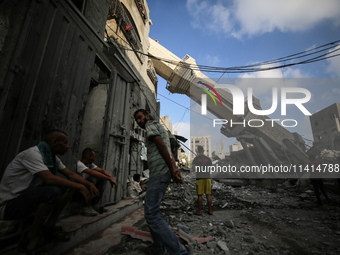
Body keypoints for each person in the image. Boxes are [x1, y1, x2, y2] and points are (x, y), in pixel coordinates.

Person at [0, 129, 99, 254]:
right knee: (53, 191)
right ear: (54, 142)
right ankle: (30, 240)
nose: (68, 146)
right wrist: (81, 187)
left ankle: (49, 226)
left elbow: (69, 174)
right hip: (8, 205)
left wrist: (88, 184)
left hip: (25, 199)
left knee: (70, 186)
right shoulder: (33, 154)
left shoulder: (51, 157)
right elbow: (49, 178)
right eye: (65, 143)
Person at [134, 109, 190, 255]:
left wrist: (173, 169)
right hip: (162, 172)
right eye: (137, 120)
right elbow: (170, 151)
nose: (139, 121)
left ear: (147, 116)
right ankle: (157, 248)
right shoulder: (161, 128)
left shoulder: (150, 125)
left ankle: (179, 252)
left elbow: (161, 146)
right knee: (153, 211)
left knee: (151, 214)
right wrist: (174, 169)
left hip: (159, 173)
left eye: (140, 117)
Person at [76, 148, 117, 216]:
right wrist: (109, 179)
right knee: (92, 180)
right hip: (78, 190)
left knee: (102, 179)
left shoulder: (89, 164)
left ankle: (94, 204)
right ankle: (84, 207)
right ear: (88, 157)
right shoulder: (79, 164)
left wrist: (111, 178)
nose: (94, 159)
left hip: (86, 188)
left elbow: (102, 171)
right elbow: (92, 173)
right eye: (93, 157)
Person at [191, 145, 213, 215]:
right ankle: (210, 210)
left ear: (197, 151)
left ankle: (200, 211)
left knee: (200, 195)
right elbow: (212, 168)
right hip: (207, 177)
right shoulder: (208, 158)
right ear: (203, 150)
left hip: (200, 177)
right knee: (208, 194)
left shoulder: (196, 158)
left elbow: (193, 169)